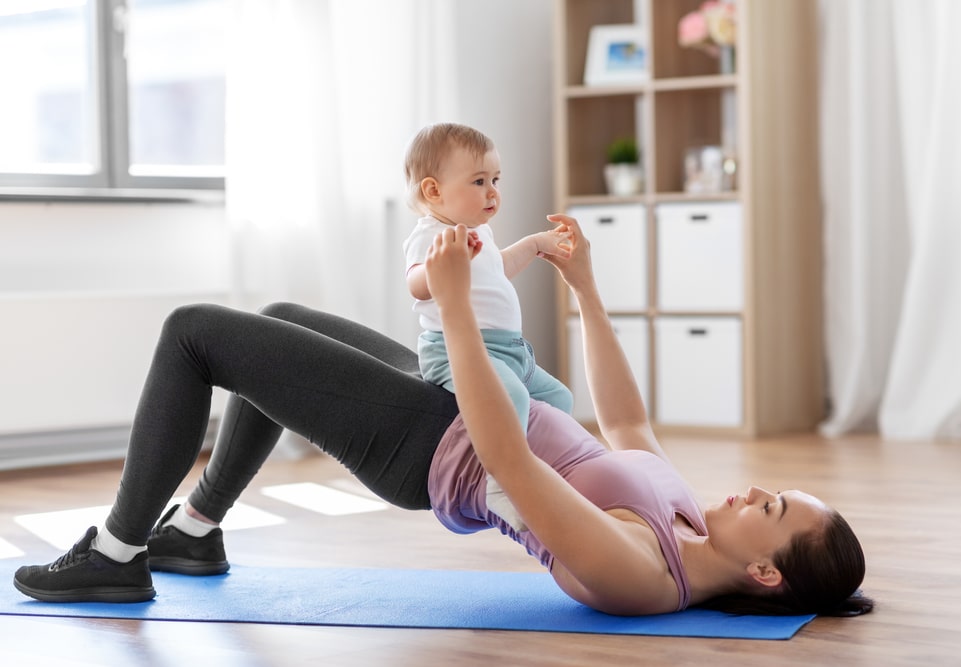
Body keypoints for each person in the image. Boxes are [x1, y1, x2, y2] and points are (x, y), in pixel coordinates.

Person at [13, 215, 872, 618]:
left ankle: (118, 553)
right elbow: (630, 424)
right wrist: (587, 290)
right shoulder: (684, 518)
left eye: (771, 508)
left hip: (432, 446)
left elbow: (512, 461)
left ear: (767, 575)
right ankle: (197, 528)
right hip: (453, 406)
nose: (755, 491)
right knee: (277, 317)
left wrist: (458, 307)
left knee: (192, 333)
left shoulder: (642, 572)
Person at [402, 123, 573, 530]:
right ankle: (500, 485)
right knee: (510, 396)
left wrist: (532, 245)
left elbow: (497, 273)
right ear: (433, 191)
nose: (493, 191)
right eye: (479, 181)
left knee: (560, 401)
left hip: (509, 350)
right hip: (457, 352)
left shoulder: (480, 233)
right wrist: (445, 264)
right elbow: (416, 284)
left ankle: (550, 475)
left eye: (495, 179)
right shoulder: (433, 236)